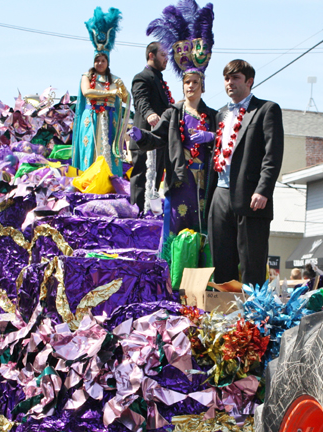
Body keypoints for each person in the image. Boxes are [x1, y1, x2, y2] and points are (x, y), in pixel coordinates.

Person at [129, 1, 216, 260]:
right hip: (181, 180)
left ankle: (202, 281)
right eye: (187, 82)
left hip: (205, 183)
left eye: (195, 82)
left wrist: (212, 136)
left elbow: (227, 142)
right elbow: (158, 138)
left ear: (202, 86)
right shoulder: (173, 112)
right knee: (178, 232)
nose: (190, 86)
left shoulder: (213, 115)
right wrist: (141, 136)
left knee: (203, 233)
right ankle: (173, 282)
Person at [205, 59, 284, 286]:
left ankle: (252, 317)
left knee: (252, 263)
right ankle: (226, 316)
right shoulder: (221, 114)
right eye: (227, 78)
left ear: (249, 81)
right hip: (220, 194)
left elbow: (273, 154)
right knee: (221, 260)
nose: (230, 83)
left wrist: (263, 190)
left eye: (235, 78)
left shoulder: (266, 109)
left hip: (251, 195)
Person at [71, 7, 129, 177]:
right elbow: (87, 92)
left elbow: (124, 98)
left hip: (110, 119)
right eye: (97, 60)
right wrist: (110, 94)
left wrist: (123, 91)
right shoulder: (86, 76)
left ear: (107, 62)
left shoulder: (115, 79)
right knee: (90, 151)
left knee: (109, 153)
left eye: (103, 60)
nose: (100, 63)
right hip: (92, 119)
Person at [129, 41, 173, 212]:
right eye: (163, 55)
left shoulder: (159, 79)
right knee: (141, 179)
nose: (166, 59)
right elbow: (140, 100)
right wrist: (149, 114)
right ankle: (137, 217)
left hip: (158, 139)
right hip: (144, 139)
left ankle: (150, 217)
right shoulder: (142, 77)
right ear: (151, 55)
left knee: (154, 181)